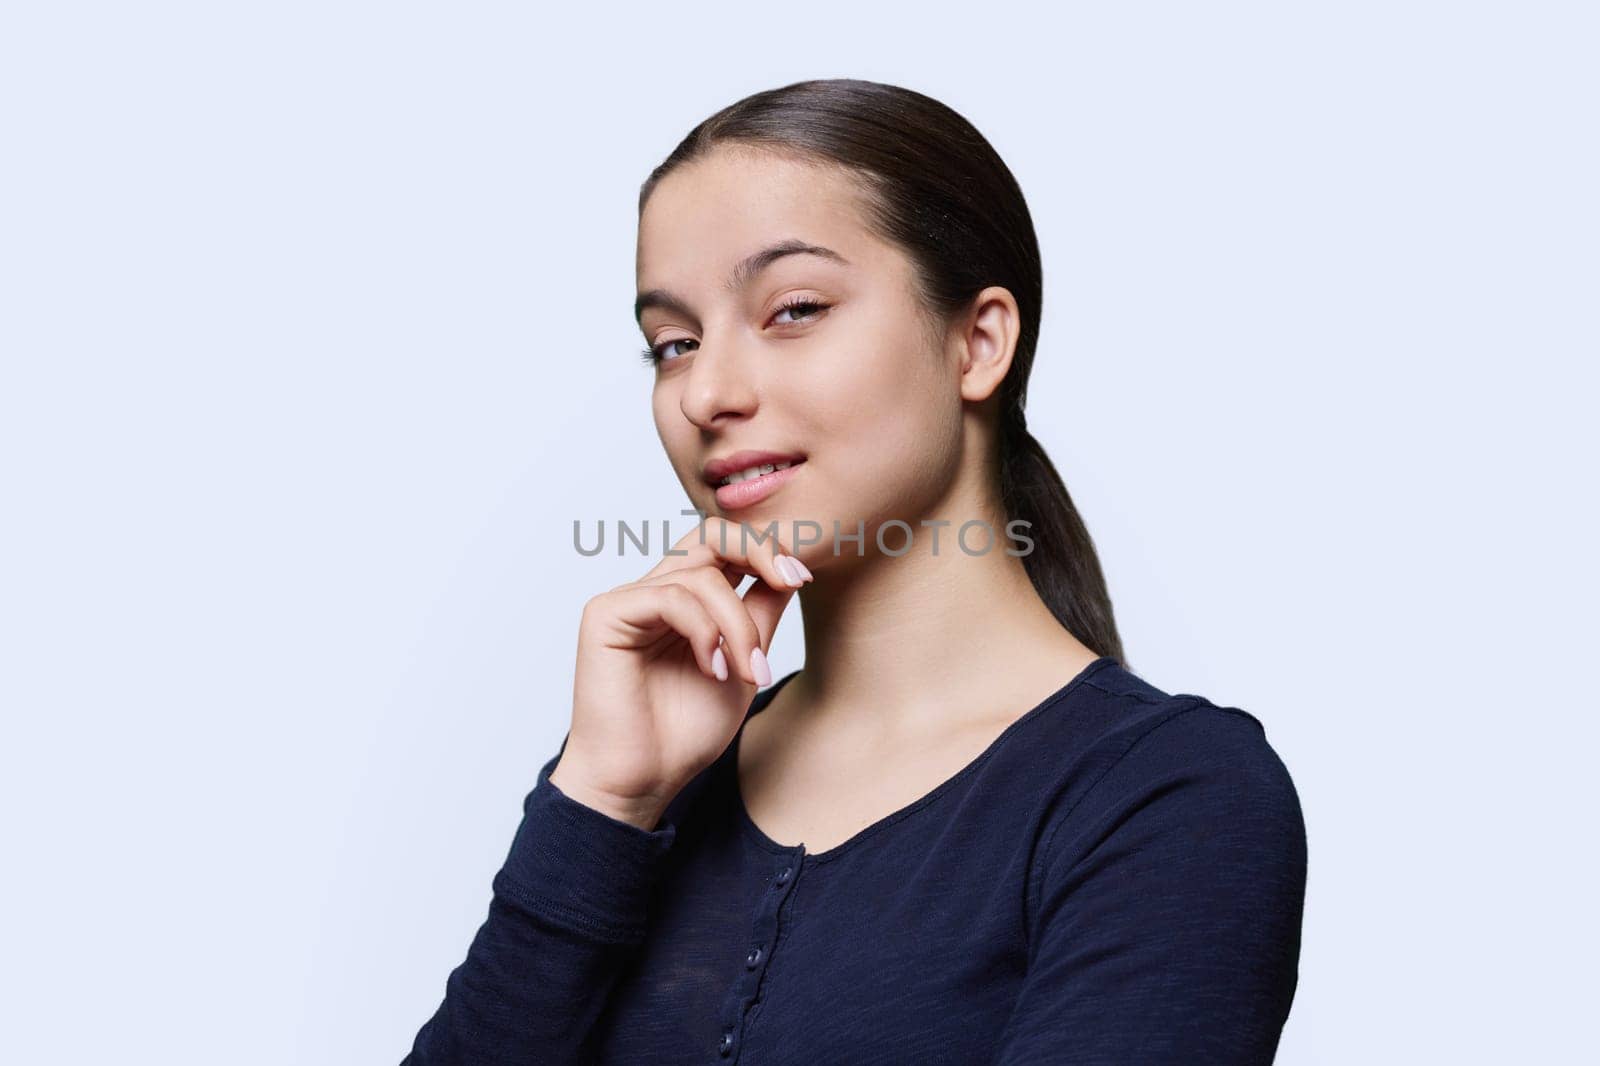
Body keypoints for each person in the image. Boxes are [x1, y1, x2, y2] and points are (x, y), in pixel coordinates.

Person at [402, 78, 1306, 1065]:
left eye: (792, 309)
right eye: (673, 343)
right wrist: (600, 803)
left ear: (978, 341)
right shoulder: (646, 788)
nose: (706, 391)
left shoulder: (1168, 801)